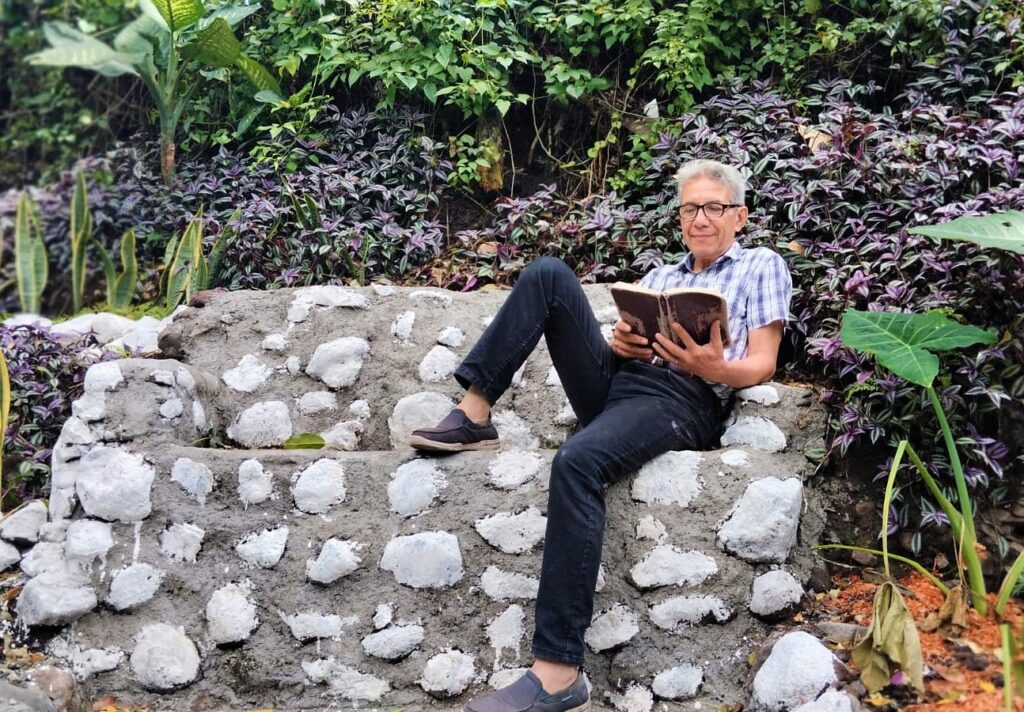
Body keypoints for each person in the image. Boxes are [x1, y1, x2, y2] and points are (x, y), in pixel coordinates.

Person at [409, 159, 792, 712]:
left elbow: (761, 364)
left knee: (577, 463)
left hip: (683, 399)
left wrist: (711, 368)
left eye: (714, 207)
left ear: (740, 216)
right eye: (690, 209)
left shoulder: (761, 266)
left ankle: (559, 674)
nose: (700, 219)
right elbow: (625, 345)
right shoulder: (661, 276)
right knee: (547, 274)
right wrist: (624, 344)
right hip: (623, 385)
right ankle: (474, 411)